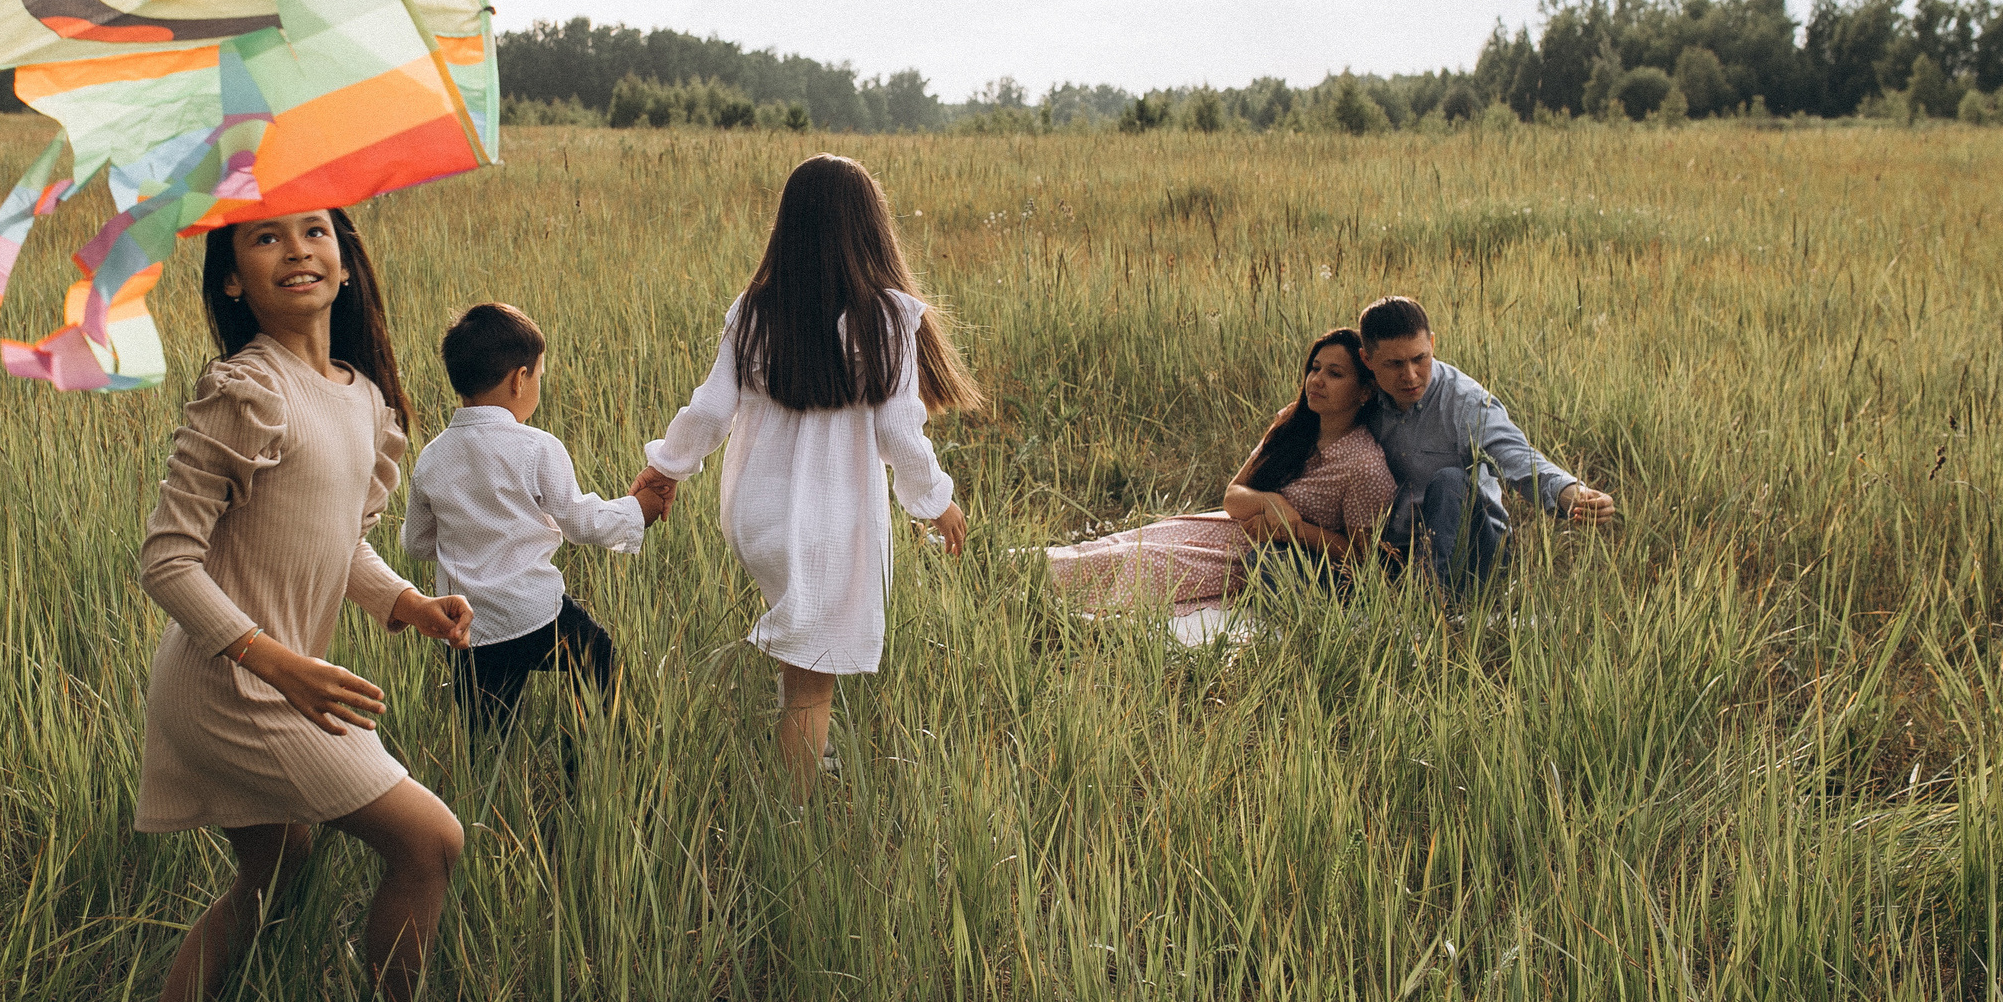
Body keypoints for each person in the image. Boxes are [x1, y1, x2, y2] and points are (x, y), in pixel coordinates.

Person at [103, 208, 475, 1002]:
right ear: (232, 280)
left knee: (276, 875)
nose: (297, 250)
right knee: (429, 841)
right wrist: (284, 667)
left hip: (278, 679)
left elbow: (332, 538)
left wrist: (405, 603)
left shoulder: (356, 394)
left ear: (346, 262)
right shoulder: (245, 388)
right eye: (264, 238)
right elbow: (167, 561)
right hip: (229, 687)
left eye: (315, 232)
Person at [635, 155, 980, 797]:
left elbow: (710, 408)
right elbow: (899, 432)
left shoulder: (757, 309)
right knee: (812, 676)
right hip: (828, 518)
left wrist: (666, 468)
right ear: (870, 228)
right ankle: (796, 805)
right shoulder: (884, 317)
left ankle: (805, 762)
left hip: (756, 515)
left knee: (801, 647)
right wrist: (937, 501)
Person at [403, 302, 670, 739]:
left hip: (470, 628)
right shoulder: (537, 448)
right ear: (519, 379)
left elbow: (416, 543)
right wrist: (636, 510)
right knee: (596, 659)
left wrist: (465, 536)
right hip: (535, 613)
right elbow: (580, 521)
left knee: (486, 735)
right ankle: (587, 770)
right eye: (539, 377)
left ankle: (485, 799)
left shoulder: (432, 458)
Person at [1047, 328, 1395, 609]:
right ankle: (1013, 570)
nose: (1316, 380)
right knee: (1118, 544)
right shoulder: (1292, 424)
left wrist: (1295, 529)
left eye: (1334, 374)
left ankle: (1043, 595)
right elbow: (1233, 496)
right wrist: (1270, 502)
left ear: (1365, 392)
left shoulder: (1363, 464)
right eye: (1315, 368)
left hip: (1263, 559)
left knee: (1140, 559)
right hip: (1225, 530)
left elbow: (1362, 556)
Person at [1355, 294, 1616, 593]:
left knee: (1451, 481)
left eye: (1420, 358)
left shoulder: (1465, 401)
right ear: (1367, 360)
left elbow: (1518, 459)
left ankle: (1427, 610)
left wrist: (1572, 494)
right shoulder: (1359, 393)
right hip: (1393, 551)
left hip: (1476, 553)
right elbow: (1312, 424)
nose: (1411, 375)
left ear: (1433, 345)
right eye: (1395, 364)